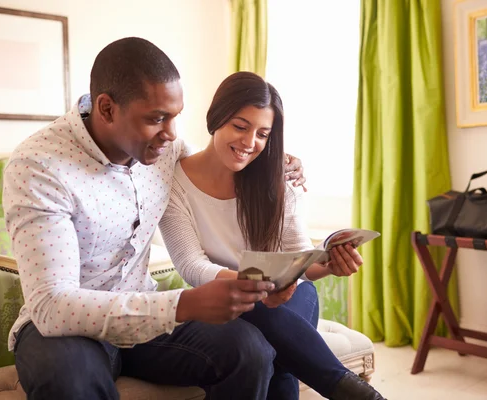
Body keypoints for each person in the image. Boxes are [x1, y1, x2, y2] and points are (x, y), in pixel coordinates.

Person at [3, 37, 308, 400]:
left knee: (250, 351)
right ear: (107, 108)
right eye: (157, 118)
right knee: (72, 382)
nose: (172, 134)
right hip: (67, 328)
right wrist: (183, 304)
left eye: (175, 116)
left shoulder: (164, 150)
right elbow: (53, 305)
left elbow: (215, 165)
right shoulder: (39, 166)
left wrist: (274, 160)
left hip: (144, 313)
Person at [159, 71, 387, 400]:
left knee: (270, 323)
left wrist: (331, 265)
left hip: (292, 295)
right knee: (271, 348)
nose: (250, 143)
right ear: (216, 118)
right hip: (231, 300)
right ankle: (349, 389)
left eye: (263, 134)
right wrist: (251, 287)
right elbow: (191, 265)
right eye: (240, 126)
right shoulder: (174, 182)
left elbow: (301, 260)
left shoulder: (279, 179)